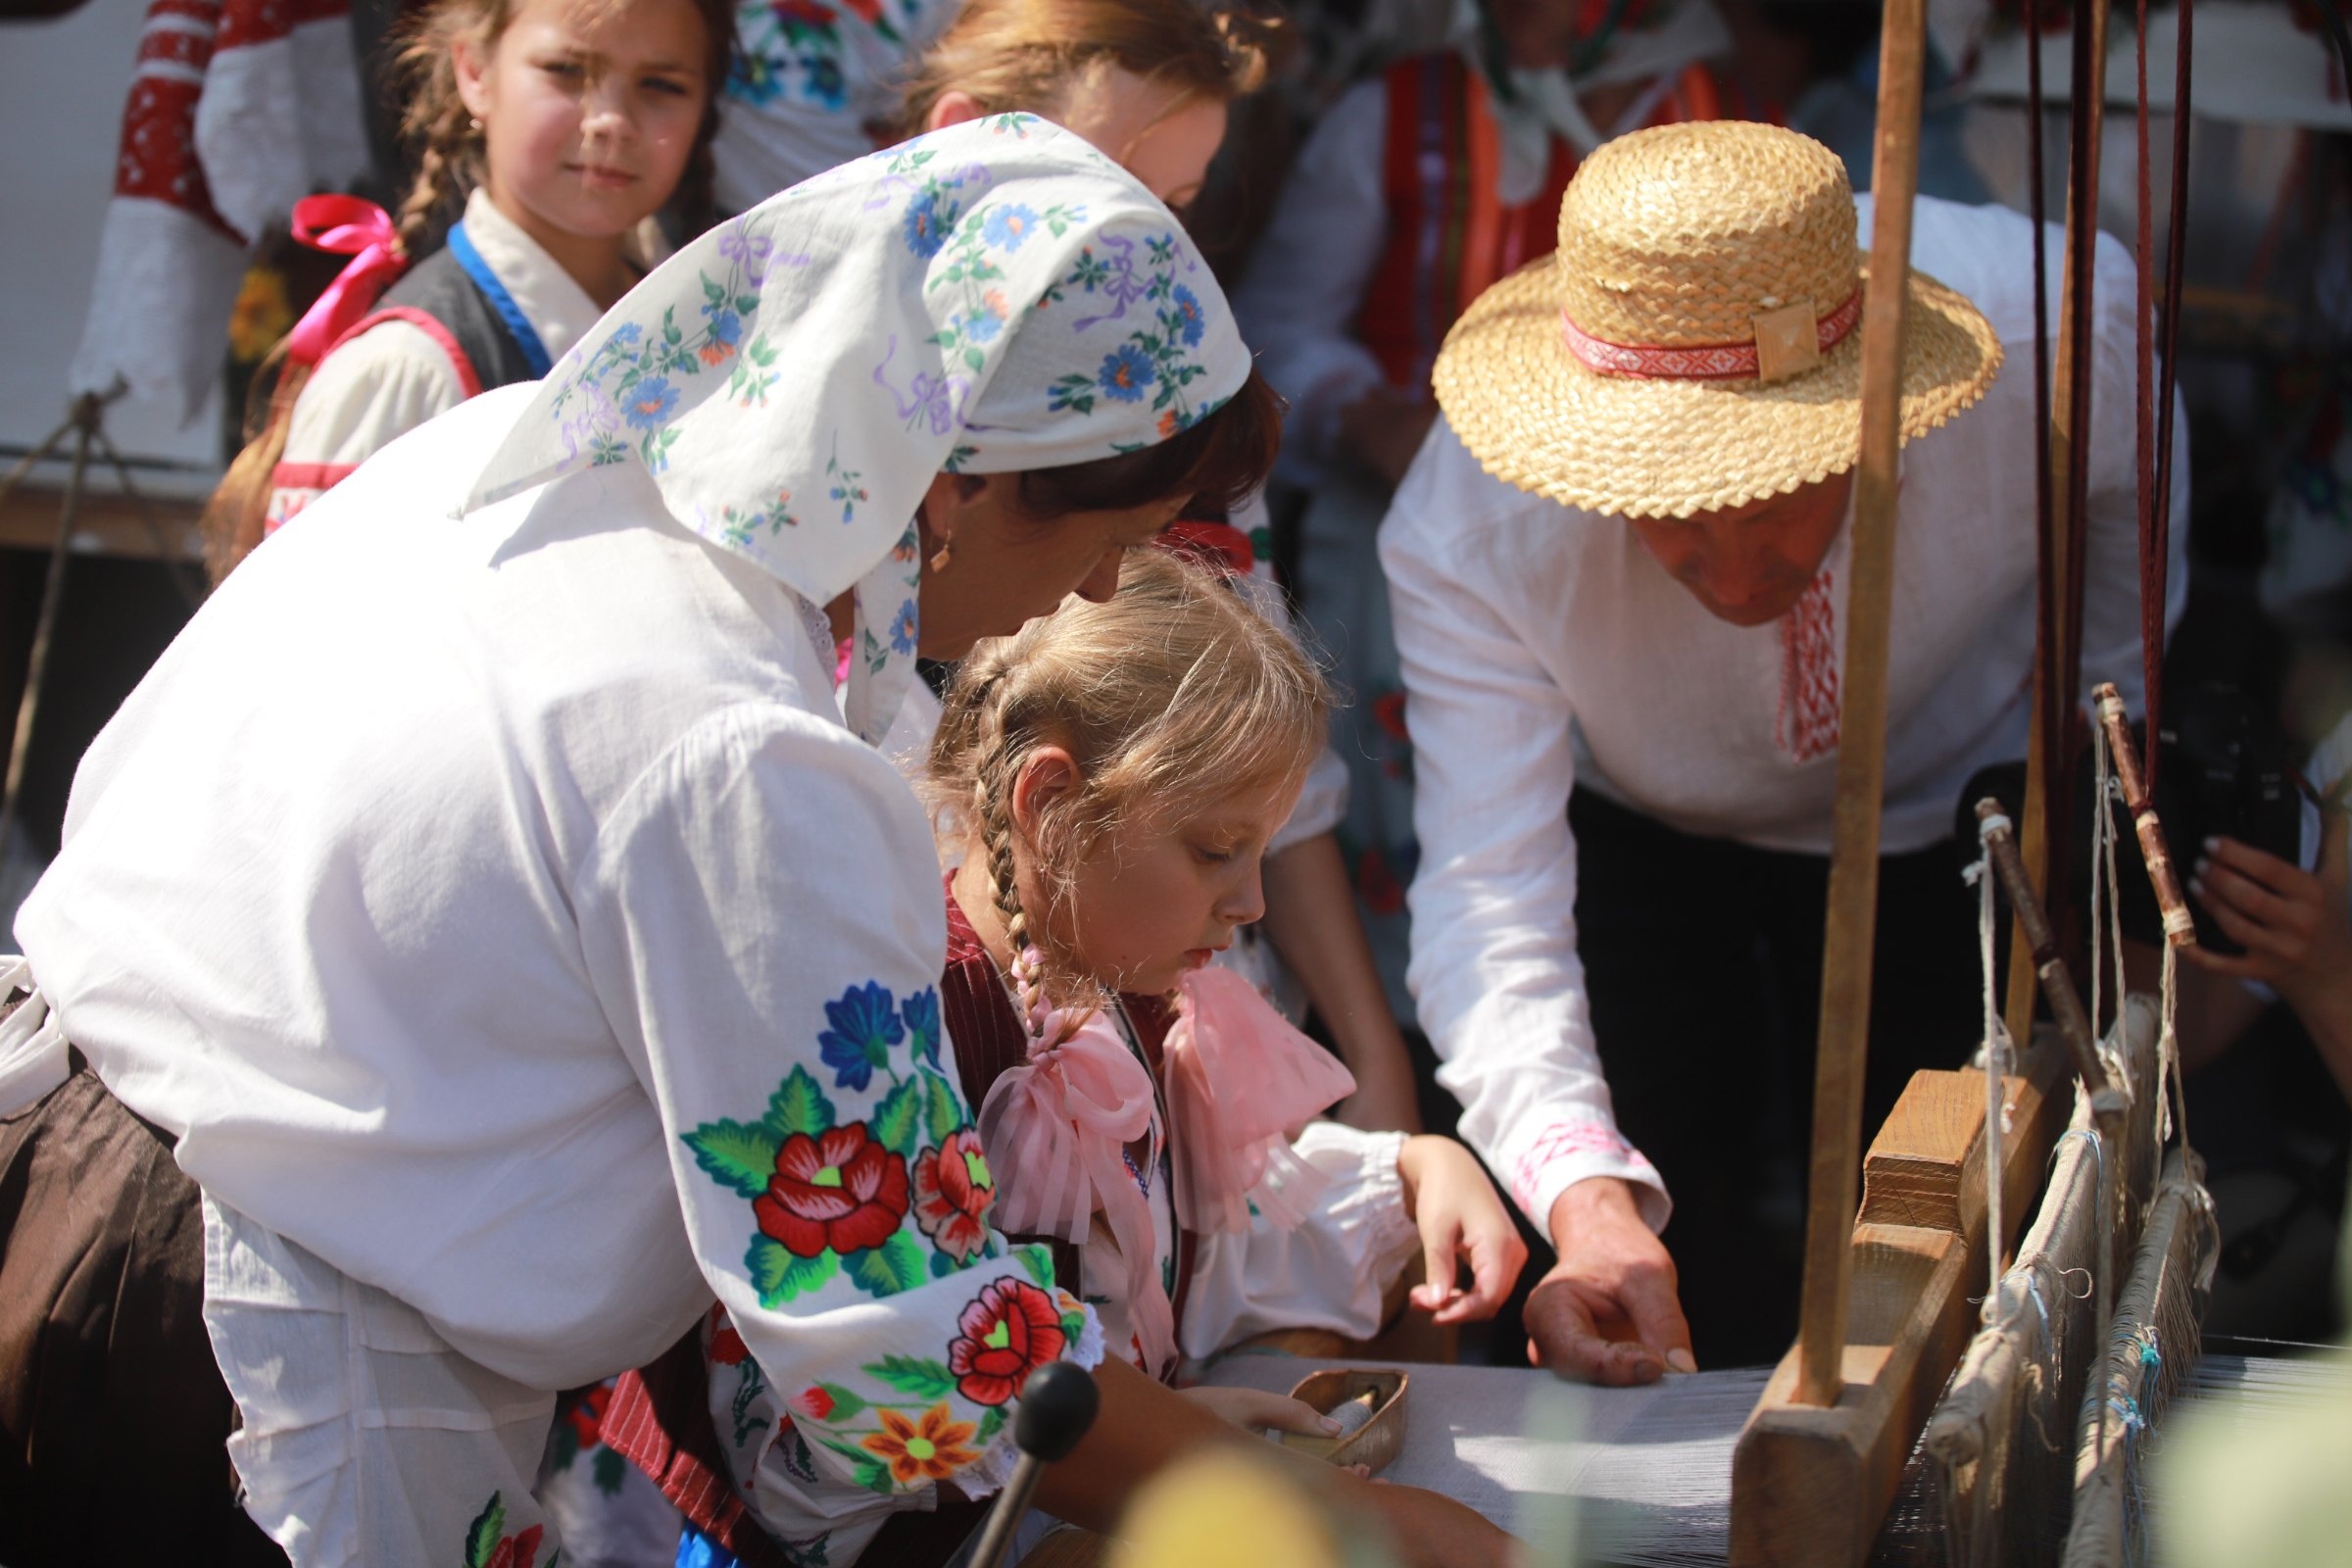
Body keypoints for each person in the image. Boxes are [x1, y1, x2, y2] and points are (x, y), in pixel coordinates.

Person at [0, 119, 1313, 1566]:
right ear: (957, 483)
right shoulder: (736, 749)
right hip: (237, 1353)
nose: (1107, 589)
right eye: (1114, 537)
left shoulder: (513, 475)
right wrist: (1333, 1515)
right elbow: (894, 1346)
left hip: (62, 1186)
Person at [1380, 120, 2188, 1376]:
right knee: (1641, 1196)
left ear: (1873, 410)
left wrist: (2081, 785)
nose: (1739, 568)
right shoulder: (1471, 531)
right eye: (1679, 521)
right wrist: (1586, 1199)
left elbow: (2124, 610)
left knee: (1945, 1237)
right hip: (1639, 830)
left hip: (1953, 810)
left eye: (1778, 499)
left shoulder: (2073, 333)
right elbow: (1491, 900)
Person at [626, 548, 1524, 1564]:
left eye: (1259, 852)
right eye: (1214, 847)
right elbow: (847, 1413)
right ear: (1052, 804)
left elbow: (1208, 1228)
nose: (1252, 904)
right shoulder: (903, 1026)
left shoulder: (1123, 998)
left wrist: (1413, 1169)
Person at [885, 0, 1426, 1133]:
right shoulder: (860, 463)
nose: (1148, 253)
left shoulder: (1186, 426)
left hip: (1185, 1036)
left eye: (1173, 210)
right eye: (1106, 195)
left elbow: (1272, 774)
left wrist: (1370, 1053)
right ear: (961, 136)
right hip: (940, 1047)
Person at [1234, 0, 1745, 1022]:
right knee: (1439, 829)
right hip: (1401, 543)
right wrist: (1368, 414)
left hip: (1646, 551)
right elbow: (1278, 327)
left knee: (1634, 861)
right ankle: (1417, 1059)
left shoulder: (1724, 130)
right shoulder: (1393, 118)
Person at [198, 0, 728, 580]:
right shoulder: (410, 373)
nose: (612, 120)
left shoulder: (709, 331)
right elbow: (314, 646)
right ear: (475, 72)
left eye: (661, 84)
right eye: (567, 72)